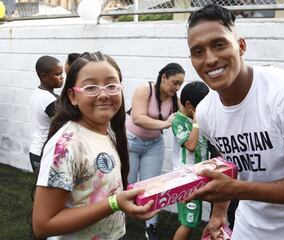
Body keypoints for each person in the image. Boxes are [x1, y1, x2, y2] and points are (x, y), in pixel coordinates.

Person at [185, 4, 284, 240]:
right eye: (198, 52)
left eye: (219, 45)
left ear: (241, 46)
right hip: (251, 229)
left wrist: (239, 190)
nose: (209, 59)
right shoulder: (207, 111)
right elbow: (230, 167)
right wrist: (219, 212)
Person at [32, 52, 156, 239]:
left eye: (111, 85)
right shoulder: (66, 146)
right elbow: (43, 224)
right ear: (73, 96)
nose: (104, 94)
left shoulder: (109, 132)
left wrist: (126, 202)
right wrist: (114, 204)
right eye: (91, 87)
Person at [125, 62, 185, 240]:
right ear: (164, 77)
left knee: (152, 187)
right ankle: (117, 221)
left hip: (154, 145)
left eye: (180, 84)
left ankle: (150, 227)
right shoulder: (145, 89)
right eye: (175, 82)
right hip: (130, 143)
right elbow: (138, 118)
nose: (177, 87)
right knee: (125, 184)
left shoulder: (175, 99)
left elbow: (186, 113)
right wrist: (167, 123)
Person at [171, 81, 209, 240]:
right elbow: (191, 146)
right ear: (189, 105)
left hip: (198, 175)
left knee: (193, 219)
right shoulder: (178, 121)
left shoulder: (199, 118)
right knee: (189, 221)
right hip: (185, 178)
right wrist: (196, 122)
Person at [29, 55, 64, 175]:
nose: (62, 77)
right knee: (46, 192)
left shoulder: (37, 92)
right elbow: (67, 124)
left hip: (36, 150)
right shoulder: (50, 100)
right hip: (43, 152)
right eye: (58, 74)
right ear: (44, 76)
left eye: (62, 73)